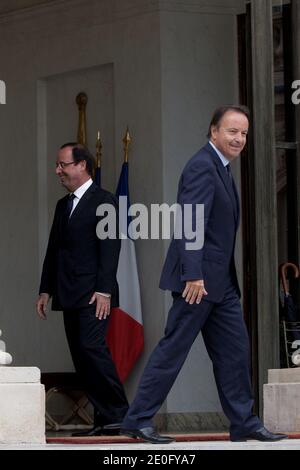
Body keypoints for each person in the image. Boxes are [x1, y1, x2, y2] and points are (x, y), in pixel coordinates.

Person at [121, 105, 288, 444]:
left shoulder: (222, 168)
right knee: (174, 349)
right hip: (196, 283)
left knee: (235, 351)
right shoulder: (202, 166)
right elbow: (189, 223)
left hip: (221, 284)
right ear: (214, 132)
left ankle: (243, 422)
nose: (239, 138)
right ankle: (138, 419)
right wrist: (192, 275)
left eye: (243, 133)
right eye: (232, 131)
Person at [36, 143, 128, 436]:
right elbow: (54, 250)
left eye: (63, 164)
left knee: (92, 349)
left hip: (93, 294)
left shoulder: (105, 200)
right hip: (68, 293)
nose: (58, 170)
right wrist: (45, 290)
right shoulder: (63, 205)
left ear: (82, 166)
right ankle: (104, 420)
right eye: (58, 165)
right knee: (81, 355)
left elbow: (111, 247)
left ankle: (120, 414)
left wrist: (104, 290)